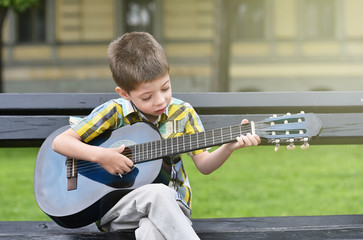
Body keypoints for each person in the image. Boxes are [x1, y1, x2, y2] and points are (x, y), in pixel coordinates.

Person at [52, 32, 261, 240]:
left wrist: (228, 147)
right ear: (124, 93)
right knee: (158, 193)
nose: (160, 101)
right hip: (119, 207)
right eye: (147, 96)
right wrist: (102, 156)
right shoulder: (113, 112)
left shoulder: (183, 113)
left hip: (174, 209)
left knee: (152, 228)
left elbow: (204, 165)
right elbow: (61, 142)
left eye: (165, 88)